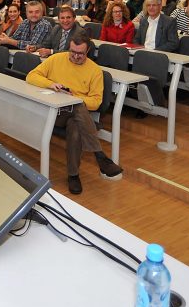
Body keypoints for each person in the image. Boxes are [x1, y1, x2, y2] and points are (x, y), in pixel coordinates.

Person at [26, 33, 123, 195]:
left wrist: (74, 98)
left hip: (74, 114)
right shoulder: (56, 59)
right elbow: (31, 76)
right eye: (73, 52)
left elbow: (96, 102)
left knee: (76, 122)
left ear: (88, 51)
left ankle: (73, 175)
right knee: (78, 112)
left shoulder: (94, 71)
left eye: (81, 54)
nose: (76, 56)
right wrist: (51, 85)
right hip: (53, 112)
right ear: (68, 48)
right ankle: (99, 156)